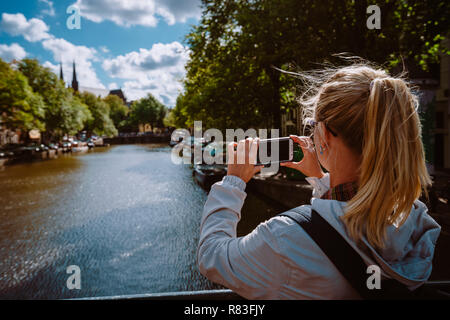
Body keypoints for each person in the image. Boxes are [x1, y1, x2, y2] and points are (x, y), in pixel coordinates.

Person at [196, 63, 441, 299]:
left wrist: (234, 182)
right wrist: (319, 178)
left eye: (313, 125)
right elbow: (350, 215)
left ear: (323, 134)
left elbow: (211, 258)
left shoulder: (286, 238)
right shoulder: (414, 219)